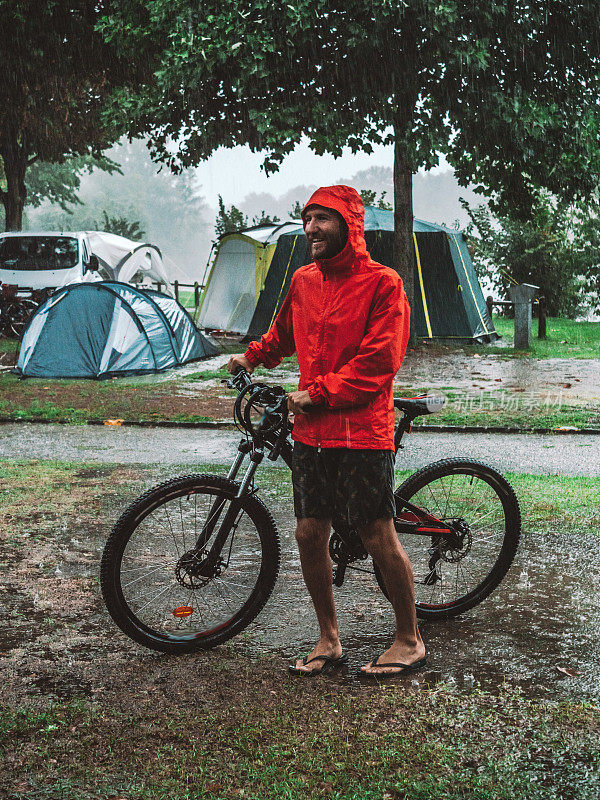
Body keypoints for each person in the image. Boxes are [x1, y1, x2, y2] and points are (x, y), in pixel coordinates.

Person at [228, 185, 426, 676]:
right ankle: (328, 638)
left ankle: (409, 638)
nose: (310, 228)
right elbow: (282, 336)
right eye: (307, 218)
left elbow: (379, 362)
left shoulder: (384, 284)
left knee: (376, 532)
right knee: (309, 532)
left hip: (362, 431)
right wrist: (251, 356)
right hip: (312, 433)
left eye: (322, 219)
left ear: (349, 225)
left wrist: (317, 392)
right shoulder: (303, 280)